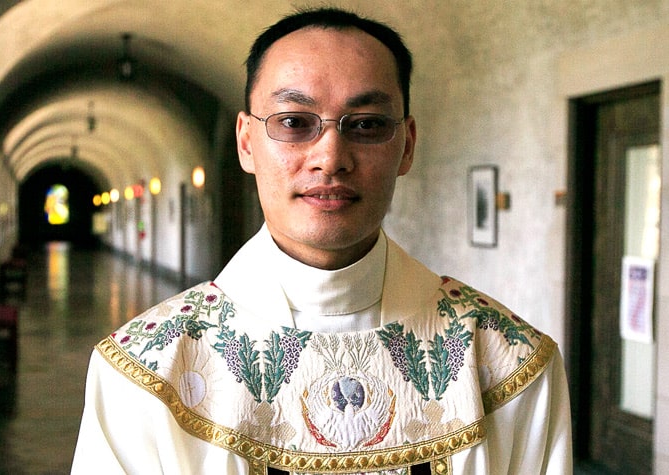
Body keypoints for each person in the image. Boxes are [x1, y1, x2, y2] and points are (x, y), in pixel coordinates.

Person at [72, 7, 572, 474]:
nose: (330, 158)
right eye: (294, 123)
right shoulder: (147, 374)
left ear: (407, 146)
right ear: (247, 142)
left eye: (368, 125)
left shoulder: (508, 366)